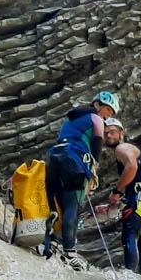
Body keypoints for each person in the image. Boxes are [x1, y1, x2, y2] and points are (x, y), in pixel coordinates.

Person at [43, 90, 120, 270]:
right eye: (108, 110)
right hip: (75, 160)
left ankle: (52, 241)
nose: (108, 115)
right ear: (97, 105)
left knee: (57, 201)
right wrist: (94, 165)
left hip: (55, 156)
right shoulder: (96, 118)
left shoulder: (70, 119)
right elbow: (97, 140)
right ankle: (69, 252)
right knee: (72, 205)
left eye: (111, 113)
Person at [102, 117, 141, 278]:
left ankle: (129, 278)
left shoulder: (123, 148)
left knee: (129, 237)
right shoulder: (128, 150)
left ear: (122, 133)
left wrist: (117, 191)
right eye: (105, 133)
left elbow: (132, 166)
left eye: (112, 132)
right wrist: (116, 203)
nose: (108, 136)